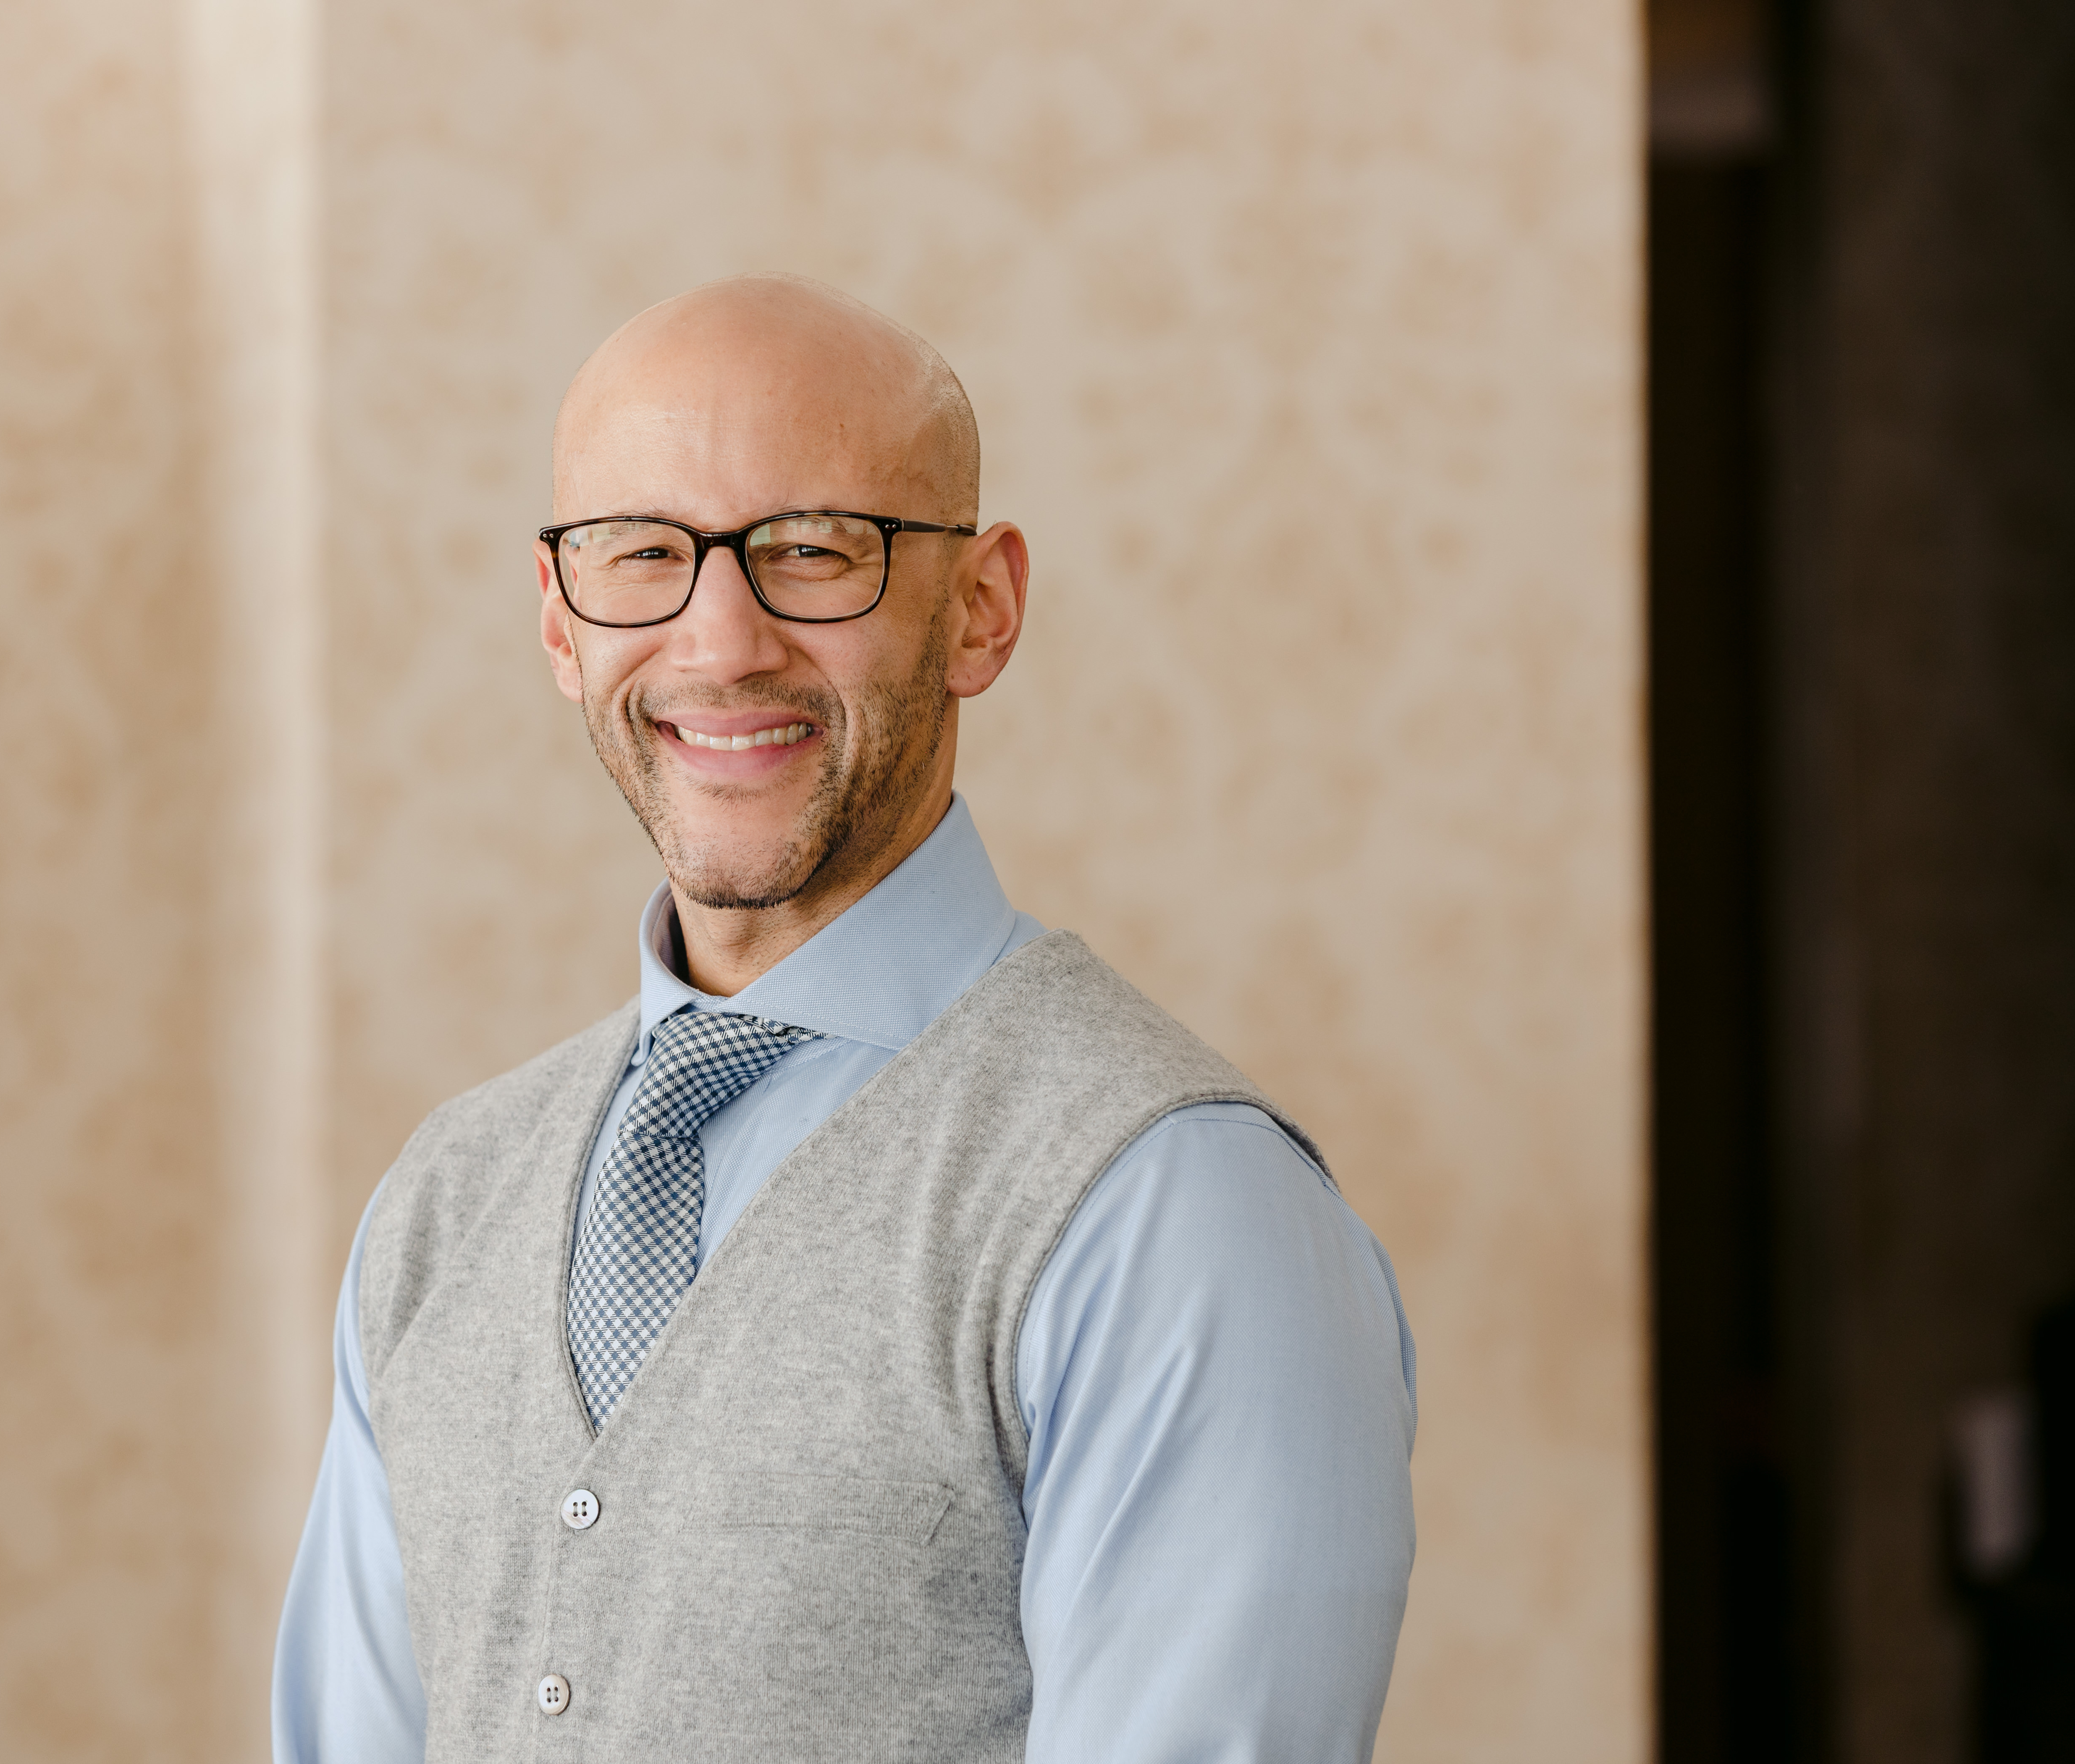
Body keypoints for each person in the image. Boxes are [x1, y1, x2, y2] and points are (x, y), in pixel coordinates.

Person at [273, 273, 1416, 1763]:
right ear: (560, 625)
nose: (722, 640)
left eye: (815, 552)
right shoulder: (442, 1200)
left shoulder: (1175, 1203)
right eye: (642, 556)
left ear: (981, 609)